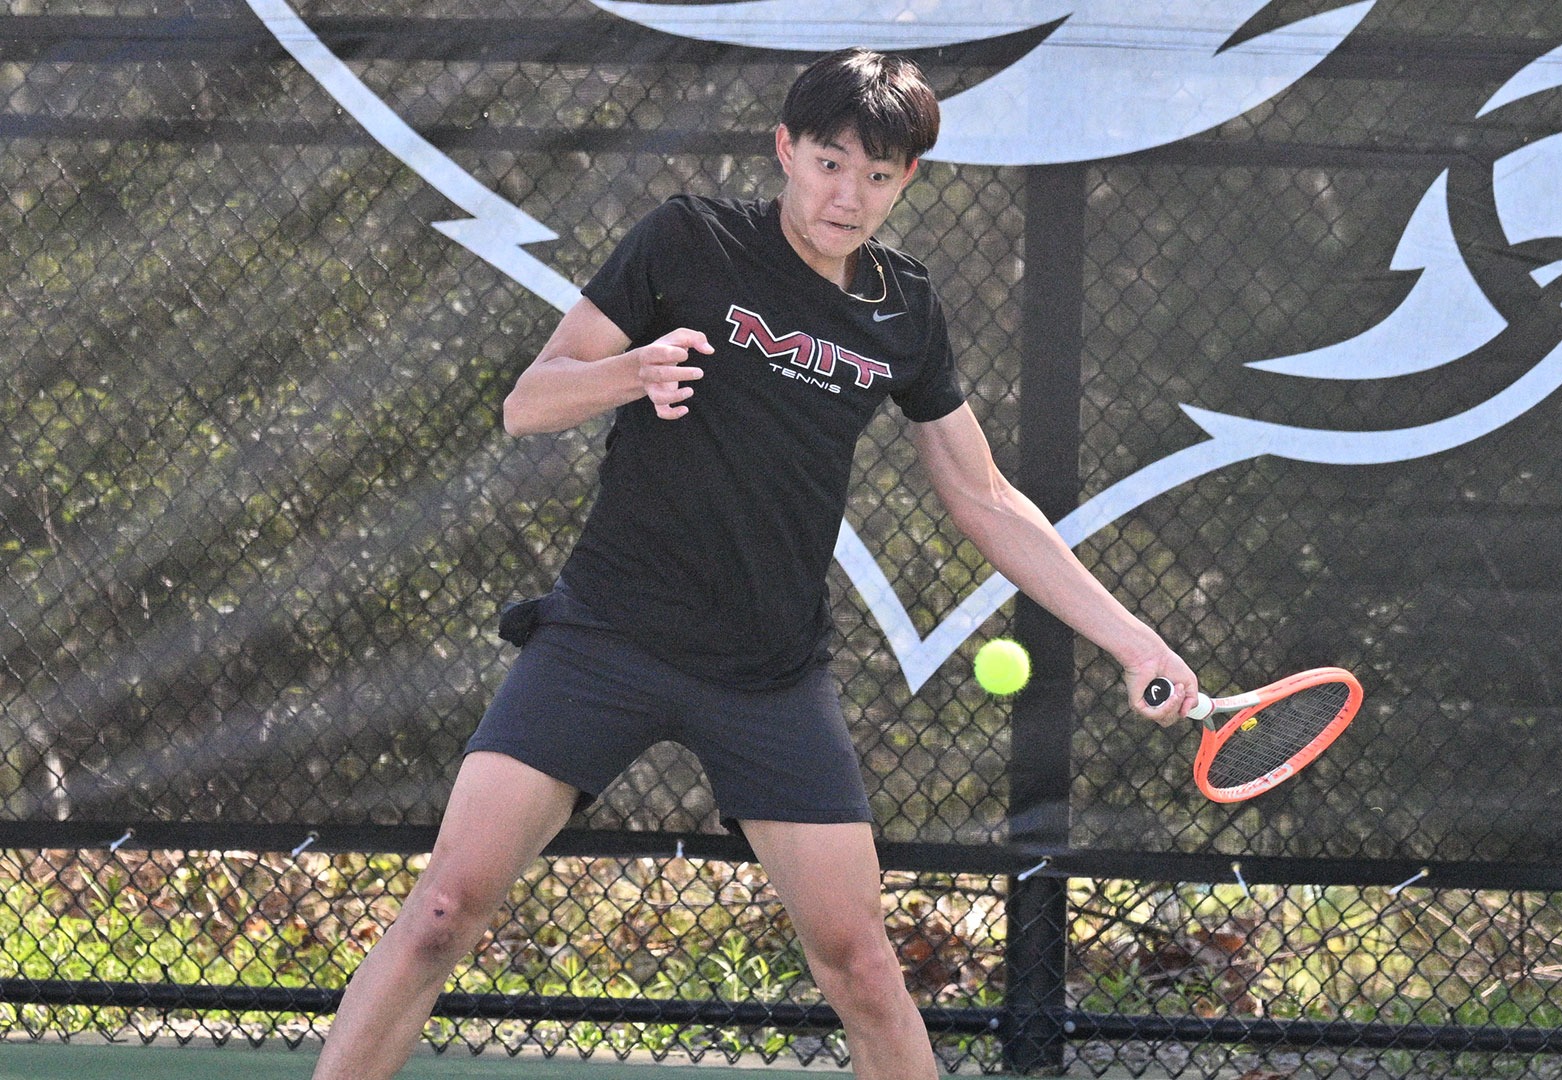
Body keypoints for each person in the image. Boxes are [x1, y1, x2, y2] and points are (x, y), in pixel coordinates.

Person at [311, 47, 1199, 1080]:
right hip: (603, 640)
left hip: (769, 676)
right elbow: (531, 399)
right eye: (829, 163)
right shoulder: (688, 242)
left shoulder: (903, 311)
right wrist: (631, 372)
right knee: (442, 913)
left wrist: (1135, 637)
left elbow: (985, 497)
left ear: (907, 179)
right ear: (785, 149)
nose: (847, 195)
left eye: (877, 175)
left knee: (863, 968)